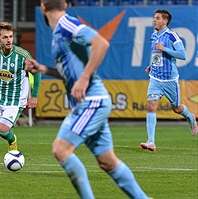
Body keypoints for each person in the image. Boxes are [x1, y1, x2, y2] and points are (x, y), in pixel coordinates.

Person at [25, 1, 151, 198]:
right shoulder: (59, 31)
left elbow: (101, 43)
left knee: (61, 149)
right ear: (65, 4)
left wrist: (84, 79)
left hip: (91, 102)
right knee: (107, 161)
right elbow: (69, 72)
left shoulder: (66, 24)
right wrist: (43, 69)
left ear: (43, 7)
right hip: (92, 102)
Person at [0, 22, 41, 171]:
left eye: (11, 36)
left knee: (2, 130)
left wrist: (34, 96)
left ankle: (12, 140)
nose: (9, 40)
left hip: (15, 99)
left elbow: (36, 74)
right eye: (5, 37)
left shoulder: (22, 55)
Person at [140, 9, 197, 152]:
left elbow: (183, 55)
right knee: (151, 106)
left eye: (157, 18)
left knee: (176, 108)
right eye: (154, 17)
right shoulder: (154, 36)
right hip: (155, 78)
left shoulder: (172, 36)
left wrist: (165, 48)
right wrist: (151, 65)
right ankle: (151, 141)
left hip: (170, 79)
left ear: (165, 21)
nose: (154, 20)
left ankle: (191, 118)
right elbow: (156, 53)